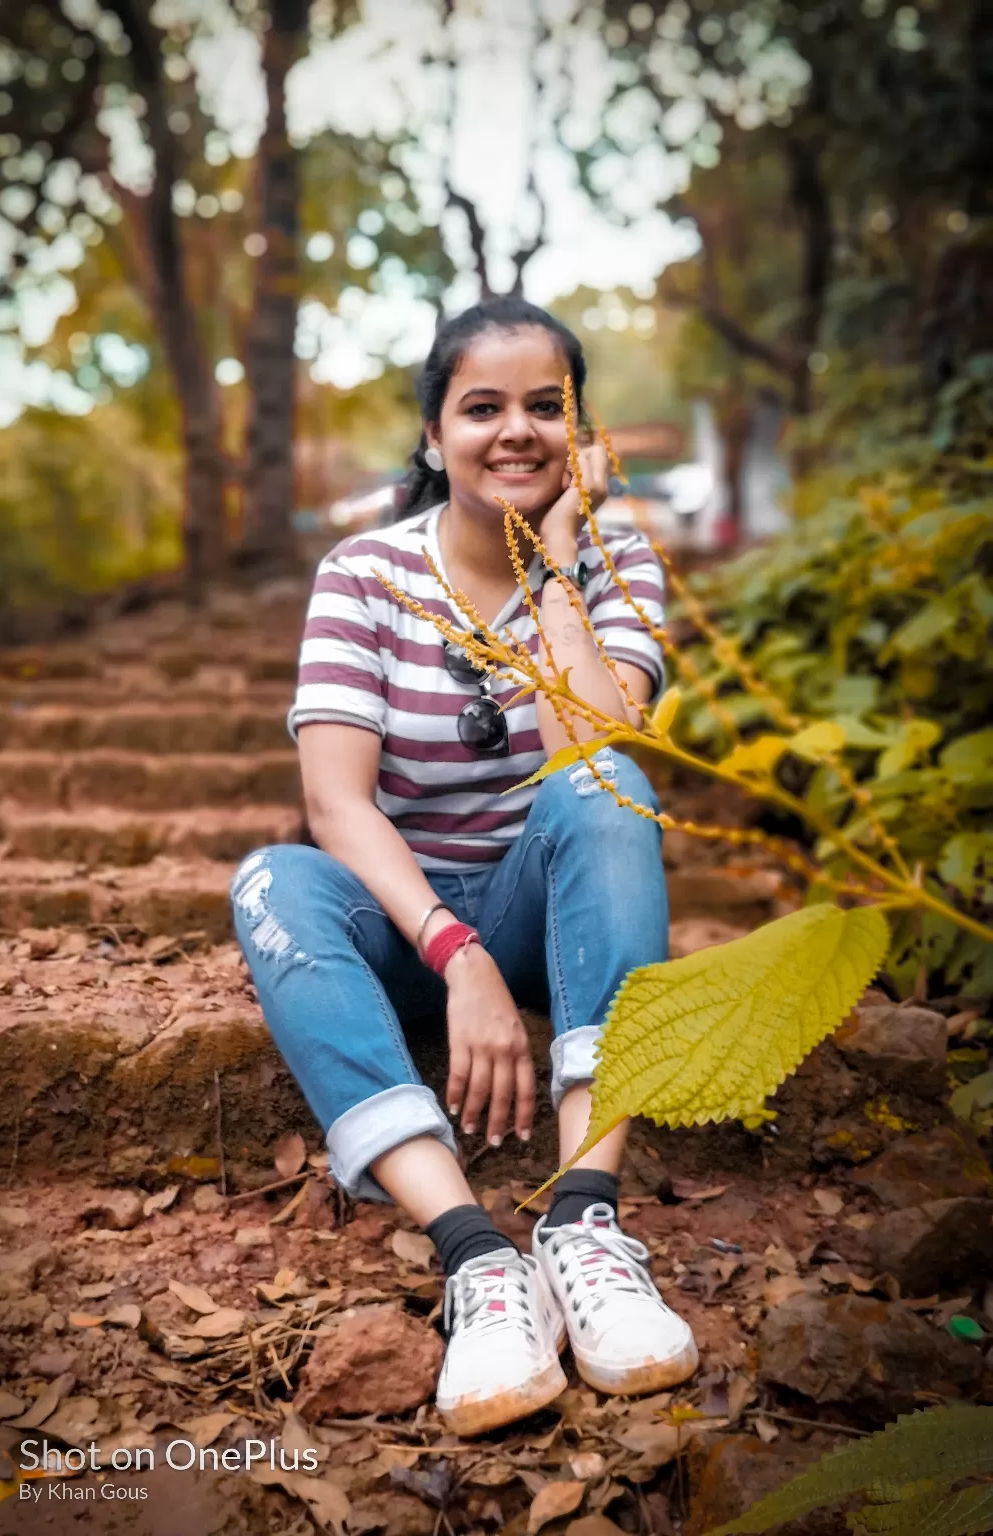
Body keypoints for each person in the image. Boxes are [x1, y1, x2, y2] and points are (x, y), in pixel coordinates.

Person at [231, 296, 698, 1436]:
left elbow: (590, 753)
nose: (517, 432)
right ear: (434, 437)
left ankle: (585, 1219)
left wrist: (557, 568)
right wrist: (457, 958)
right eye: (481, 407)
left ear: (582, 435)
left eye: (548, 406)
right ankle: (476, 1253)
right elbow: (336, 803)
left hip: (554, 910)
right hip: (413, 924)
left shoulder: (621, 567)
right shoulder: (363, 572)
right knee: (270, 878)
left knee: (606, 785)